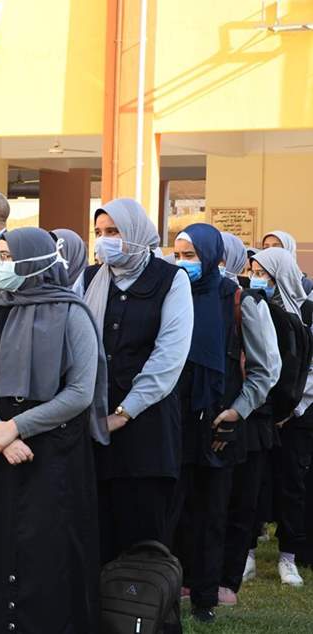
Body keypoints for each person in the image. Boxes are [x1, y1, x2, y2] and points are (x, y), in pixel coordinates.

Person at [0, 227, 107, 634]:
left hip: (54, 447)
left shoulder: (72, 312)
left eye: (8, 257)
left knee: (47, 546)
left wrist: (18, 427)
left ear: (33, 262)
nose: (0, 265)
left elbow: (80, 392)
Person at [80, 199, 194, 565]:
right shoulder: (89, 279)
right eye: (99, 232)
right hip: (92, 422)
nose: (105, 240)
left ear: (136, 232)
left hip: (147, 426)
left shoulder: (170, 279)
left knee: (143, 536)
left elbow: (169, 356)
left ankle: (141, 602)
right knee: (95, 534)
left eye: (114, 231)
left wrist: (124, 412)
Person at [167, 224, 265, 623]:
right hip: (175, 420)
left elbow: (265, 368)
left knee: (211, 514)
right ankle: (168, 590)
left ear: (212, 256)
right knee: (172, 513)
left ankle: (205, 597)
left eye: (190, 256)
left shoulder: (238, 299)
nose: (182, 263)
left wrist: (238, 410)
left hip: (218, 423)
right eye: (178, 255)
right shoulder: (171, 293)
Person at [218, 232, 281, 605]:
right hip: (218, 415)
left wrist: (249, 406)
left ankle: (230, 577)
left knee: (241, 502)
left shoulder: (248, 301)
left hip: (251, 419)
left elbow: (272, 368)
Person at [249, 246, 313, 587]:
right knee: (255, 483)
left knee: (291, 485)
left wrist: (292, 409)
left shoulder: (305, 314)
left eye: (263, 274)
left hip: (297, 416)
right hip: (260, 413)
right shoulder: (252, 307)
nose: (257, 280)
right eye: (253, 273)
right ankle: (246, 552)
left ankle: (288, 557)